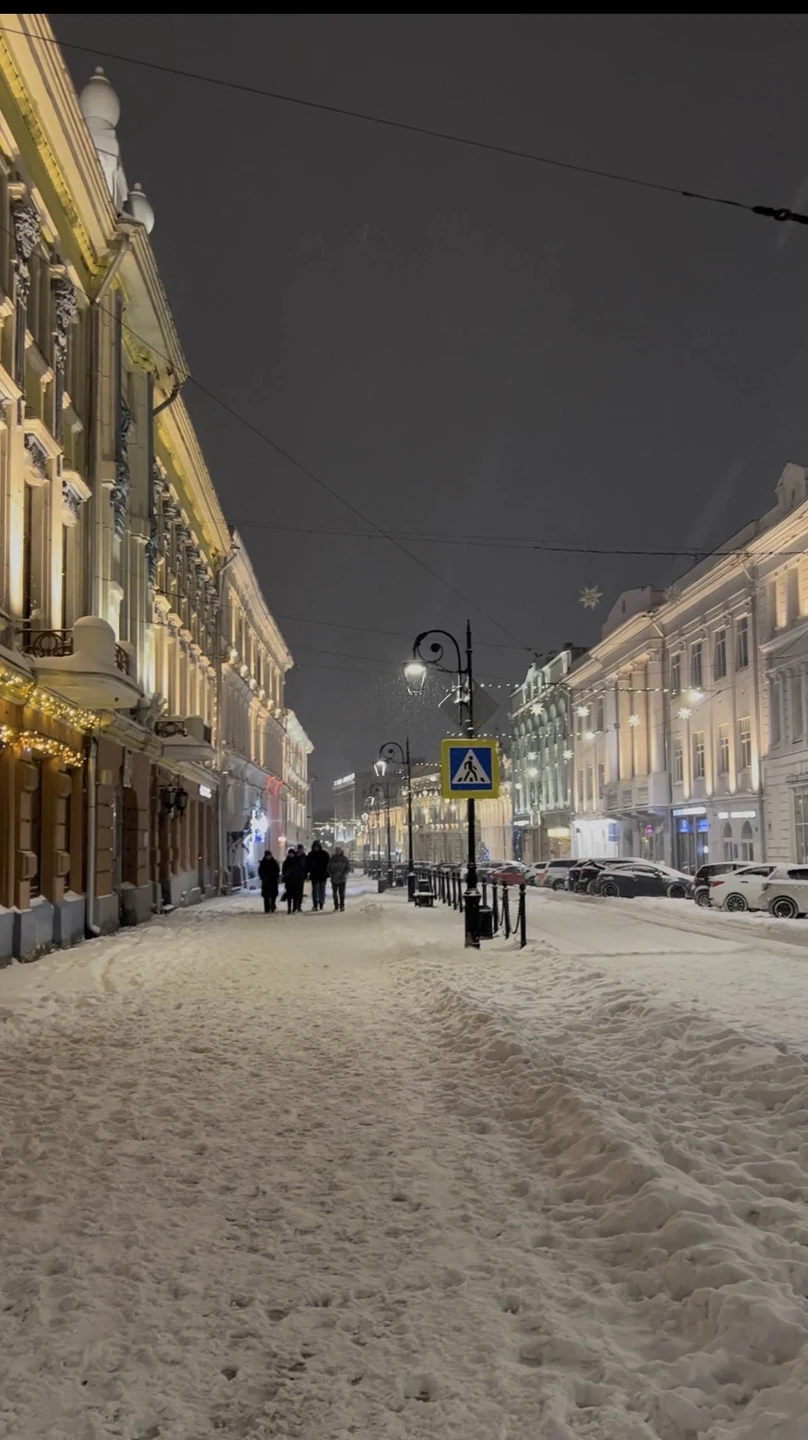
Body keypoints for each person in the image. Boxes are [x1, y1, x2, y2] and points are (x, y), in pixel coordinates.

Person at [307, 839, 330, 912]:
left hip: (322, 875)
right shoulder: (311, 855)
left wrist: (327, 872)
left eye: (317, 846)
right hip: (314, 875)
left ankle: (321, 903)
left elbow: (328, 864)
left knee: (321, 890)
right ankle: (315, 904)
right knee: (315, 890)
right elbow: (308, 865)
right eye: (315, 847)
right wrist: (307, 872)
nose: (316, 848)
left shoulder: (324, 854)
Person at [282, 846, 305, 915]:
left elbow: (301, 869)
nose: (291, 855)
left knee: (295, 896)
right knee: (289, 896)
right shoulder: (286, 862)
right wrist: (286, 875)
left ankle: (294, 908)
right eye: (290, 853)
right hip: (289, 881)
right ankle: (289, 909)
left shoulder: (297, 861)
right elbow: (284, 870)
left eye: (292, 853)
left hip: (296, 881)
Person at [329, 845, 350, 912]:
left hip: (342, 879)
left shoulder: (344, 859)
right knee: (334, 893)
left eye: (339, 851)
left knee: (341, 893)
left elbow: (348, 868)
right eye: (336, 851)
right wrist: (331, 874)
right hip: (334, 879)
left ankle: (342, 906)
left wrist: (343, 874)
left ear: (341, 851)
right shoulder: (332, 859)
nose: (337, 852)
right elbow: (328, 868)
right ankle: (336, 906)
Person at [258, 848, 280, 913]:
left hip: (273, 881)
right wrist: (262, 877)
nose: (268, 857)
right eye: (267, 856)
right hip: (266, 882)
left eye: (269, 855)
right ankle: (267, 908)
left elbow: (277, 870)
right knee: (266, 896)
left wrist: (276, 877)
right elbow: (260, 871)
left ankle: (272, 906)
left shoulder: (274, 862)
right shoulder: (263, 863)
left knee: (273, 895)